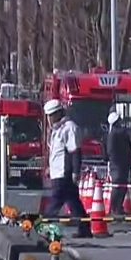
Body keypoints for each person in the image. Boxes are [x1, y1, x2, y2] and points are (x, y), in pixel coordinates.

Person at [44, 100, 90, 237]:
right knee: (73, 202)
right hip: (57, 172)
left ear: (58, 114)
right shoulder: (57, 130)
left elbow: (75, 151)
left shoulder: (69, 128)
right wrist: (49, 168)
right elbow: (56, 153)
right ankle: (85, 229)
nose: (49, 120)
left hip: (64, 173)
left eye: (50, 116)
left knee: (55, 201)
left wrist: (76, 171)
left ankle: (42, 228)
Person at [105, 112, 131, 216]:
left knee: (121, 186)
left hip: (119, 164)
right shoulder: (117, 133)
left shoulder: (112, 134)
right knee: (118, 186)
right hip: (118, 164)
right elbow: (112, 151)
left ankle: (117, 208)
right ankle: (114, 208)